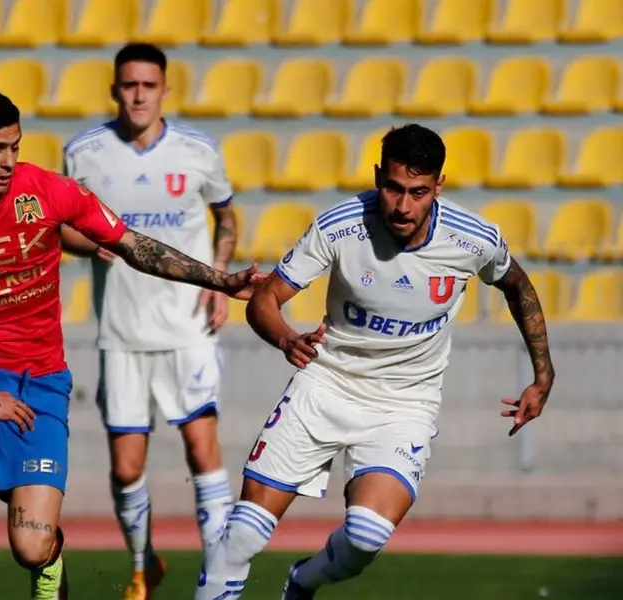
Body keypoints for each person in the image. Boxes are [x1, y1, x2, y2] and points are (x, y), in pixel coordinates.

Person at [0, 88, 264, 600]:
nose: (9, 162)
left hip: (39, 383)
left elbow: (132, 246)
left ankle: (51, 572)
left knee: (30, 548)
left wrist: (219, 282)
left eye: (15, 146)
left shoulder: (49, 191)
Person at [194, 124, 555, 600]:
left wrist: (542, 375)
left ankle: (303, 581)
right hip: (323, 386)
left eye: (418, 192)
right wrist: (286, 339)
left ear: (438, 187)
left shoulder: (473, 240)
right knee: (242, 534)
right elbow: (265, 300)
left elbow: (518, 287)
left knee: (365, 536)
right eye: (393, 188)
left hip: (403, 405)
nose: (403, 206)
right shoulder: (340, 225)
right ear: (377, 177)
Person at [59, 43, 239, 600]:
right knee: (126, 466)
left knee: (203, 449)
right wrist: (88, 246)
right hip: (121, 333)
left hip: (186, 327)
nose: (138, 95)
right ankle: (143, 566)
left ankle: (220, 573)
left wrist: (221, 276)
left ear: (164, 90)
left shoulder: (198, 152)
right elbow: (61, 230)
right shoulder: (84, 154)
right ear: (115, 89)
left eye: (148, 85)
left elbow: (226, 215)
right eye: (129, 85)